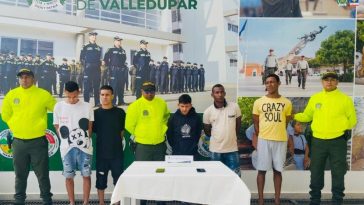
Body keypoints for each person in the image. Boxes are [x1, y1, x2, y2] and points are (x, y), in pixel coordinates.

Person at [294, 72, 357, 205]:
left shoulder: (345, 99)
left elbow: (352, 122)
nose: (329, 82)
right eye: (326, 80)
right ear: (322, 82)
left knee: (338, 172)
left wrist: (336, 126)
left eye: (332, 80)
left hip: (338, 141)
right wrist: (293, 116)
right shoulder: (315, 98)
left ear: (337, 82)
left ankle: (337, 201)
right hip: (318, 142)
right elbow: (307, 116)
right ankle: (315, 200)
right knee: (316, 171)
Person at [2, 68, 56, 205]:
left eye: (27, 77)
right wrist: (16, 125)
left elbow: (58, 109)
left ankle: (47, 200)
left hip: (38, 142)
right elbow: (5, 115)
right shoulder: (11, 95)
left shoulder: (43, 94)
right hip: (18, 142)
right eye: (21, 77)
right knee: (20, 175)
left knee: (43, 175)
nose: (24, 79)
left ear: (34, 79)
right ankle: (19, 201)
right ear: (19, 79)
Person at [125, 81, 169, 205]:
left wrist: (162, 129)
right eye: (147, 91)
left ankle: (161, 203)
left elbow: (166, 117)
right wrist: (143, 134)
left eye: (152, 91)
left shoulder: (161, 103)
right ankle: (142, 202)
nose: (149, 94)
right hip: (143, 147)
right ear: (141, 91)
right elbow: (129, 125)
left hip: (160, 145)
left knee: (160, 175)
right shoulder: (135, 105)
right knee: (143, 177)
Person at [252, 73, 292, 205]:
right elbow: (256, 123)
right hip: (264, 140)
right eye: (267, 82)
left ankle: (277, 200)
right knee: (261, 170)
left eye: (272, 82)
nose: (269, 84)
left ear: (279, 83)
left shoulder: (287, 103)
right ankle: (261, 200)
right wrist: (261, 137)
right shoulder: (259, 102)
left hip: (280, 140)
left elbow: (285, 123)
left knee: (278, 170)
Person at [53, 81, 94, 205]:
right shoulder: (58, 106)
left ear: (79, 92)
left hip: (85, 148)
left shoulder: (87, 106)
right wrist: (64, 139)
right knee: (68, 176)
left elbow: (90, 127)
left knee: (86, 175)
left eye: (75, 96)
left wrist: (84, 141)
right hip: (66, 149)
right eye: (69, 96)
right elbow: (56, 125)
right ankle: (72, 202)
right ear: (65, 92)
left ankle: (85, 202)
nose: (72, 99)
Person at [93, 85, 126, 205]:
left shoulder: (120, 113)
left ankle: (116, 203)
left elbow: (121, 132)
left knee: (118, 181)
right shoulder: (95, 114)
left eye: (107, 95)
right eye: (102, 95)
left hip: (117, 154)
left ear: (112, 96)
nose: (105, 97)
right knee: (100, 181)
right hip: (102, 154)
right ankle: (101, 202)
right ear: (99, 96)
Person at [203, 84, 242, 176]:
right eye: (217, 92)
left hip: (232, 149)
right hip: (215, 151)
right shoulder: (207, 112)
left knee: (235, 178)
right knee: (216, 178)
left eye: (221, 92)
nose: (219, 94)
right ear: (212, 95)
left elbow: (238, 125)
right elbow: (207, 132)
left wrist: (231, 137)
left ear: (225, 93)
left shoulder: (235, 107)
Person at [167, 94, 202, 160]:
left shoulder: (197, 118)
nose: (184, 109)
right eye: (182, 106)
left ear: (191, 105)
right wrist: (175, 146)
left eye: (187, 106)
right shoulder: (173, 118)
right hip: (177, 152)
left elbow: (198, 134)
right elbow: (170, 135)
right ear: (178, 105)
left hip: (192, 153)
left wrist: (193, 145)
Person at [103, 36, 127, 105]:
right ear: (114, 41)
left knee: (121, 86)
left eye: (120, 41)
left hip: (121, 71)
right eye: (117, 41)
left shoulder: (123, 51)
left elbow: (124, 59)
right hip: (113, 71)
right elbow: (105, 59)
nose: (119, 42)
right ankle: (113, 102)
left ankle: (121, 101)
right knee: (114, 87)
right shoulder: (110, 49)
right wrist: (110, 67)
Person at [80, 32, 102, 106]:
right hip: (88, 69)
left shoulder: (98, 47)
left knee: (96, 86)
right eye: (92, 36)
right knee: (87, 87)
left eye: (95, 36)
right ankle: (86, 103)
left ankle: (97, 102)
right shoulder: (85, 46)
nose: (94, 37)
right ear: (89, 37)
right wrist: (85, 66)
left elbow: (99, 59)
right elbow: (81, 58)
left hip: (96, 69)